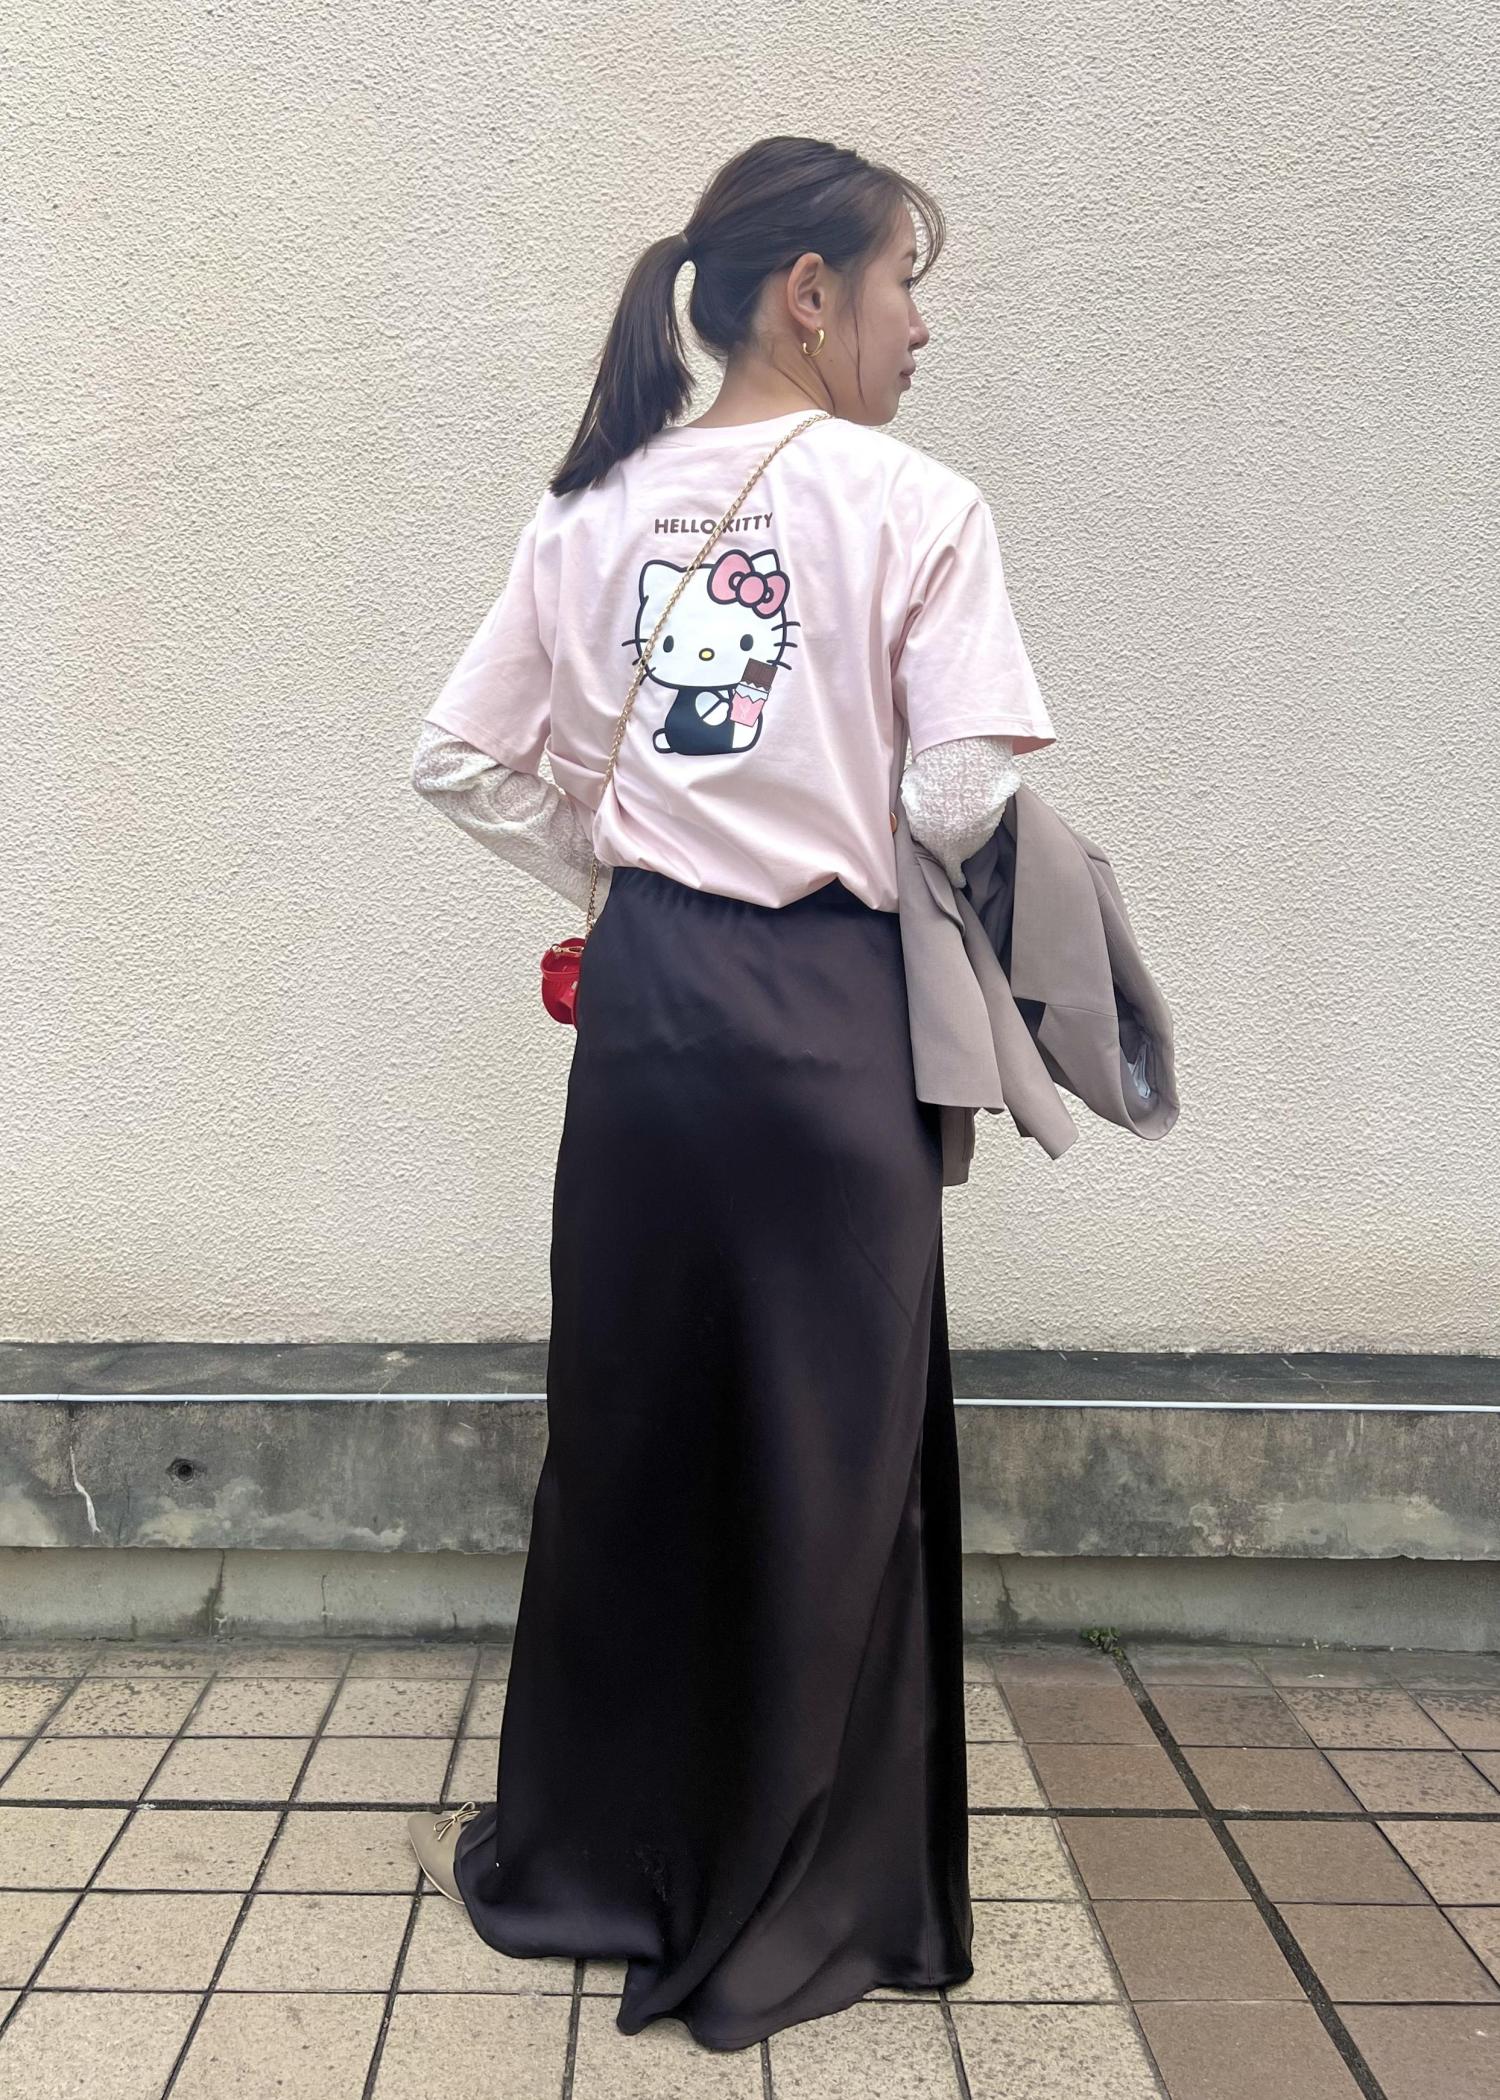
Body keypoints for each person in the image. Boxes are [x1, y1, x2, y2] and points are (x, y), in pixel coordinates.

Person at [405, 133, 1056, 2054]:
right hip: (824, 1019)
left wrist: (622, 870)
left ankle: (600, 1857)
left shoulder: (591, 506)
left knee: (634, 1427)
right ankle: (797, 1879)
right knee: (825, 1449)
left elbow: (461, 759)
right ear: (810, 293)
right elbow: (962, 790)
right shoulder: (920, 507)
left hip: (650, 1018)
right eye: (905, 283)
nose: (920, 327)